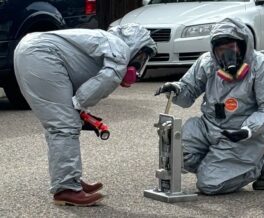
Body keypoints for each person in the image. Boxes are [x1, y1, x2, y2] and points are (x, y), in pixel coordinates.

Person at [14, 23, 157, 206]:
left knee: (60, 125)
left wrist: (78, 108)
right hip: (40, 56)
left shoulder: (106, 41)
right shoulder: (120, 47)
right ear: (136, 43)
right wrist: (79, 104)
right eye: (142, 56)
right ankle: (66, 189)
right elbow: (109, 76)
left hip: (32, 52)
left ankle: (68, 178)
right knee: (64, 125)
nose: (139, 63)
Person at [155, 18, 264, 195]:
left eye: (231, 48)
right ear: (214, 49)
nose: (226, 54)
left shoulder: (263, 66)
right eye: (221, 49)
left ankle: (258, 166)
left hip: (240, 134)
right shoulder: (207, 62)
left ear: (243, 45)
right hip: (208, 126)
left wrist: (248, 130)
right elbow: (188, 93)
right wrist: (175, 89)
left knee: (209, 185)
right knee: (175, 156)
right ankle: (224, 167)